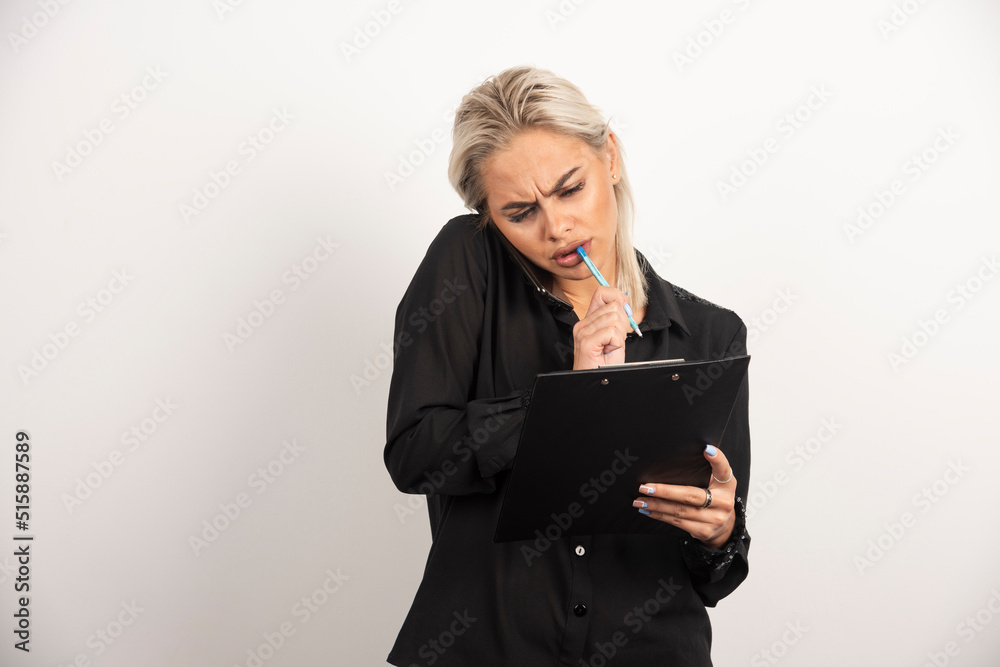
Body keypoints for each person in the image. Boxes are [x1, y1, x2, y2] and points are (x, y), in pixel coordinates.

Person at [384, 65, 751, 666]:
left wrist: (720, 534)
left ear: (610, 157)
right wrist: (568, 399)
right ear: (489, 216)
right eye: (519, 212)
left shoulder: (711, 333)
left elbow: (717, 577)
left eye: (569, 189)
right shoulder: (466, 264)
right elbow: (414, 451)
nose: (556, 228)